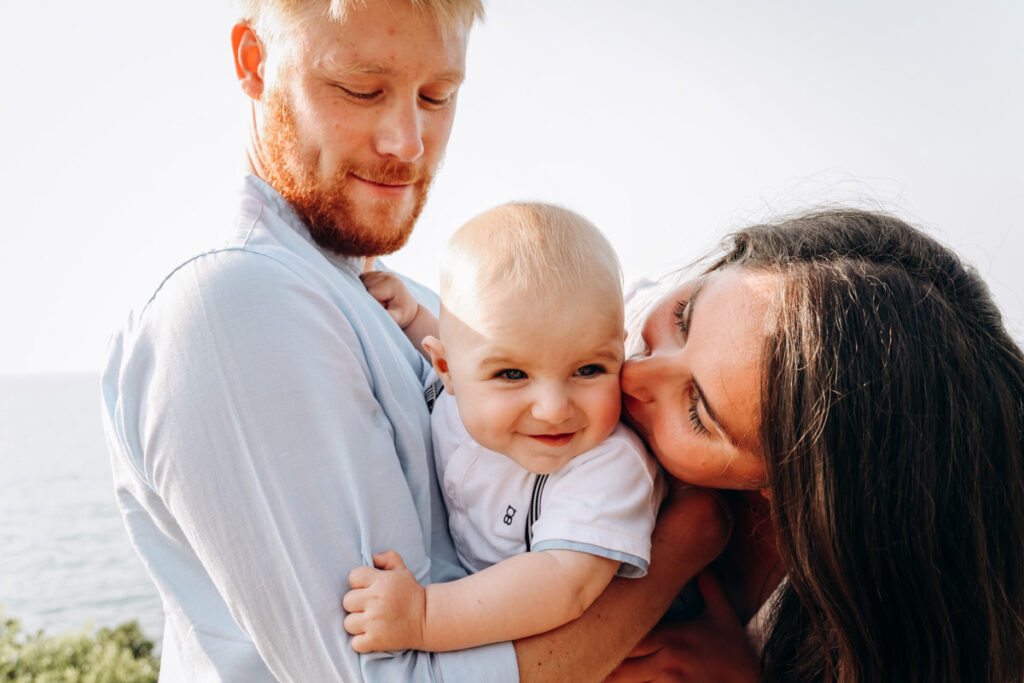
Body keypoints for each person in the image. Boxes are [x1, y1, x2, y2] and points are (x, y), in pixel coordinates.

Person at [99, 1, 730, 680]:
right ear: (254, 63)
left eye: (438, 95)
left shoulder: (406, 303)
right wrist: (671, 556)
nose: (408, 140)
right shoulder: (231, 306)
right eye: (361, 89)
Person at [606, 208, 1024, 682]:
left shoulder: (864, 633)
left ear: (784, 487)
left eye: (698, 414)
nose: (633, 373)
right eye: (683, 318)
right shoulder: (586, 323)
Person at [344, 202, 665, 652]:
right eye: (513, 375)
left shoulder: (610, 463)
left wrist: (424, 616)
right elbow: (469, 352)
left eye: (589, 369)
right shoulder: (457, 388)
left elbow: (564, 583)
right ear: (446, 370)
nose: (554, 409)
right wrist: (412, 316)